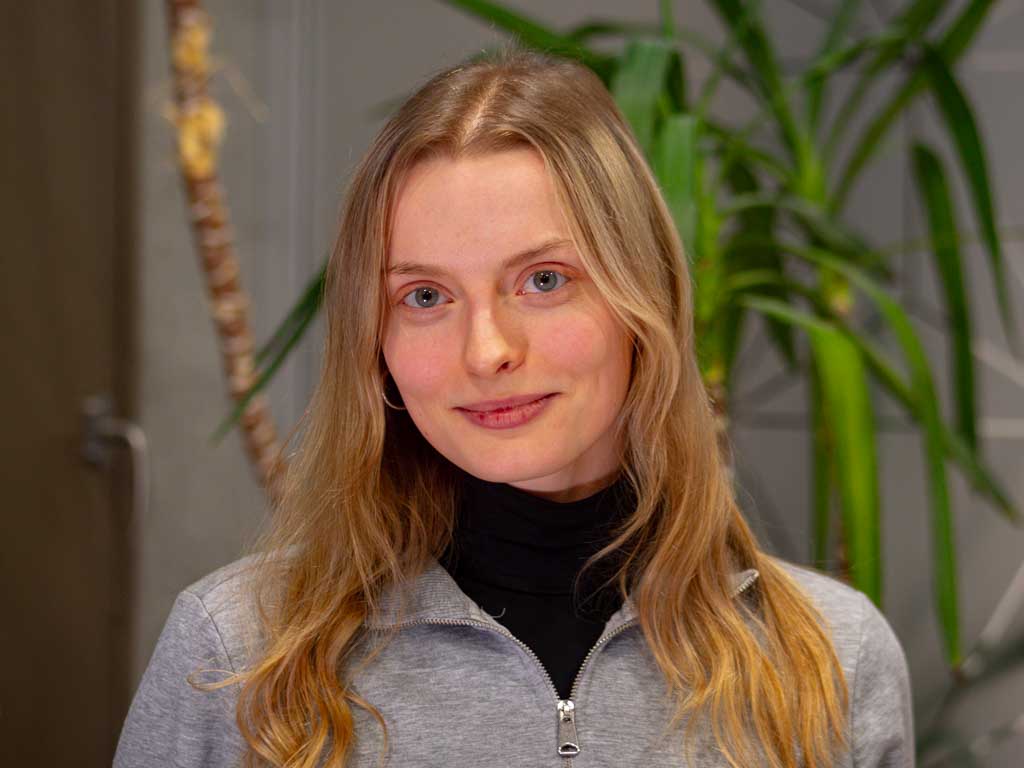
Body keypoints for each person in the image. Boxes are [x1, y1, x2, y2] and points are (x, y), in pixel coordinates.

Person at [114, 44, 914, 768]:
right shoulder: (236, 653)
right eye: (425, 296)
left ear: (644, 301)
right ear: (373, 341)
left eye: (544, 281)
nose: (486, 350)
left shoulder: (831, 660)